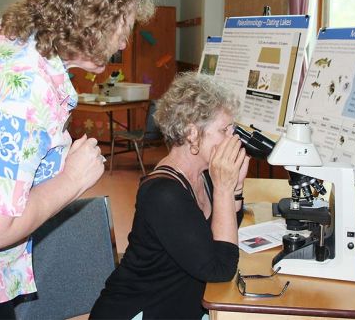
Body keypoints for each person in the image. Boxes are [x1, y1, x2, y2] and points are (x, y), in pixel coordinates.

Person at [0, 0, 155, 318]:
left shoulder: (13, 36)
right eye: (122, 28)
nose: (122, 43)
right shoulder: (24, 87)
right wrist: (72, 179)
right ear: (91, 23)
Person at [90, 72, 250, 319]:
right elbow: (220, 268)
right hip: (142, 311)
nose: (233, 138)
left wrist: (234, 189)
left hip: (178, 304)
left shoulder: (205, 174)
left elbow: (223, 237)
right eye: (224, 130)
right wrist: (225, 190)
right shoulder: (163, 194)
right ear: (192, 133)